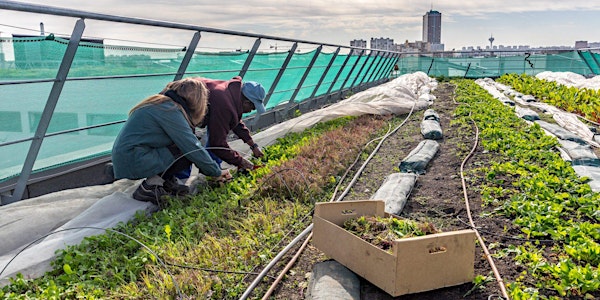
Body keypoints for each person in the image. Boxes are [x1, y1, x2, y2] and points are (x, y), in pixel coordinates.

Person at [112, 78, 231, 204]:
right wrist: (216, 172)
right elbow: (191, 146)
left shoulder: (163, 104)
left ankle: (164, 183)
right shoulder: (170, 110)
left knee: (182, 146)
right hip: (133, 159)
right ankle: (150, 187)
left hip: (130, 157)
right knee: (184, 150)